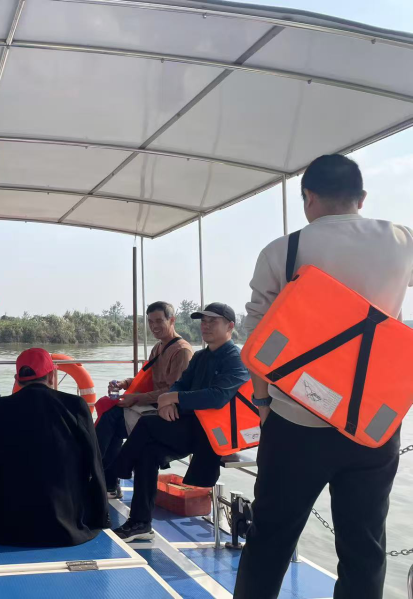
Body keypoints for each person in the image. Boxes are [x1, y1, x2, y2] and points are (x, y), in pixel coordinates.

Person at [234, 155, 413, 599]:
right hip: (372, 426)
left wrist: (264, 404)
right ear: (362, 198)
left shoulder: (282, 250)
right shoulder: (403, 240)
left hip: (297, 421)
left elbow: (256, 341)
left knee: (270, 538)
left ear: (308, 198)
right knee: (364, 547)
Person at [0, 348, 109, 546]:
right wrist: (101, 516)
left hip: (3, 525)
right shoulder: (76, 406)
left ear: (17, 379)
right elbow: (94, 463)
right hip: (63, 525)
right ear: (52, 376)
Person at [112, 302, 250, 542]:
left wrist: (173, 398)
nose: (205, 326)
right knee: (147, 453)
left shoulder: (235, 359)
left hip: (212, 435)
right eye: (203, 321)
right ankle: (140, 523)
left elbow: (218, 397)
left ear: (230, 326)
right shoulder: (200, 356)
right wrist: (168, 402)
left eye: (213, 321)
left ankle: (118, 469)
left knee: (146, 424)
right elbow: (181, 384)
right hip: (189, 425)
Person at [96, 301, 193, 499]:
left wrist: (136, 398)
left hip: (167, 413)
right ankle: (106, 482)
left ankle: (92, 472)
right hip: (149, 405)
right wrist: (125, 383)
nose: (154, 326)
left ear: (172, 320)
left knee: (111, 420)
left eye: (159, 321)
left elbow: (174, 390)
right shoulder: (158, 347)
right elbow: (148, 379)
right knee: (110, 419)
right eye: (150, 322)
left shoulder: (181, 351)